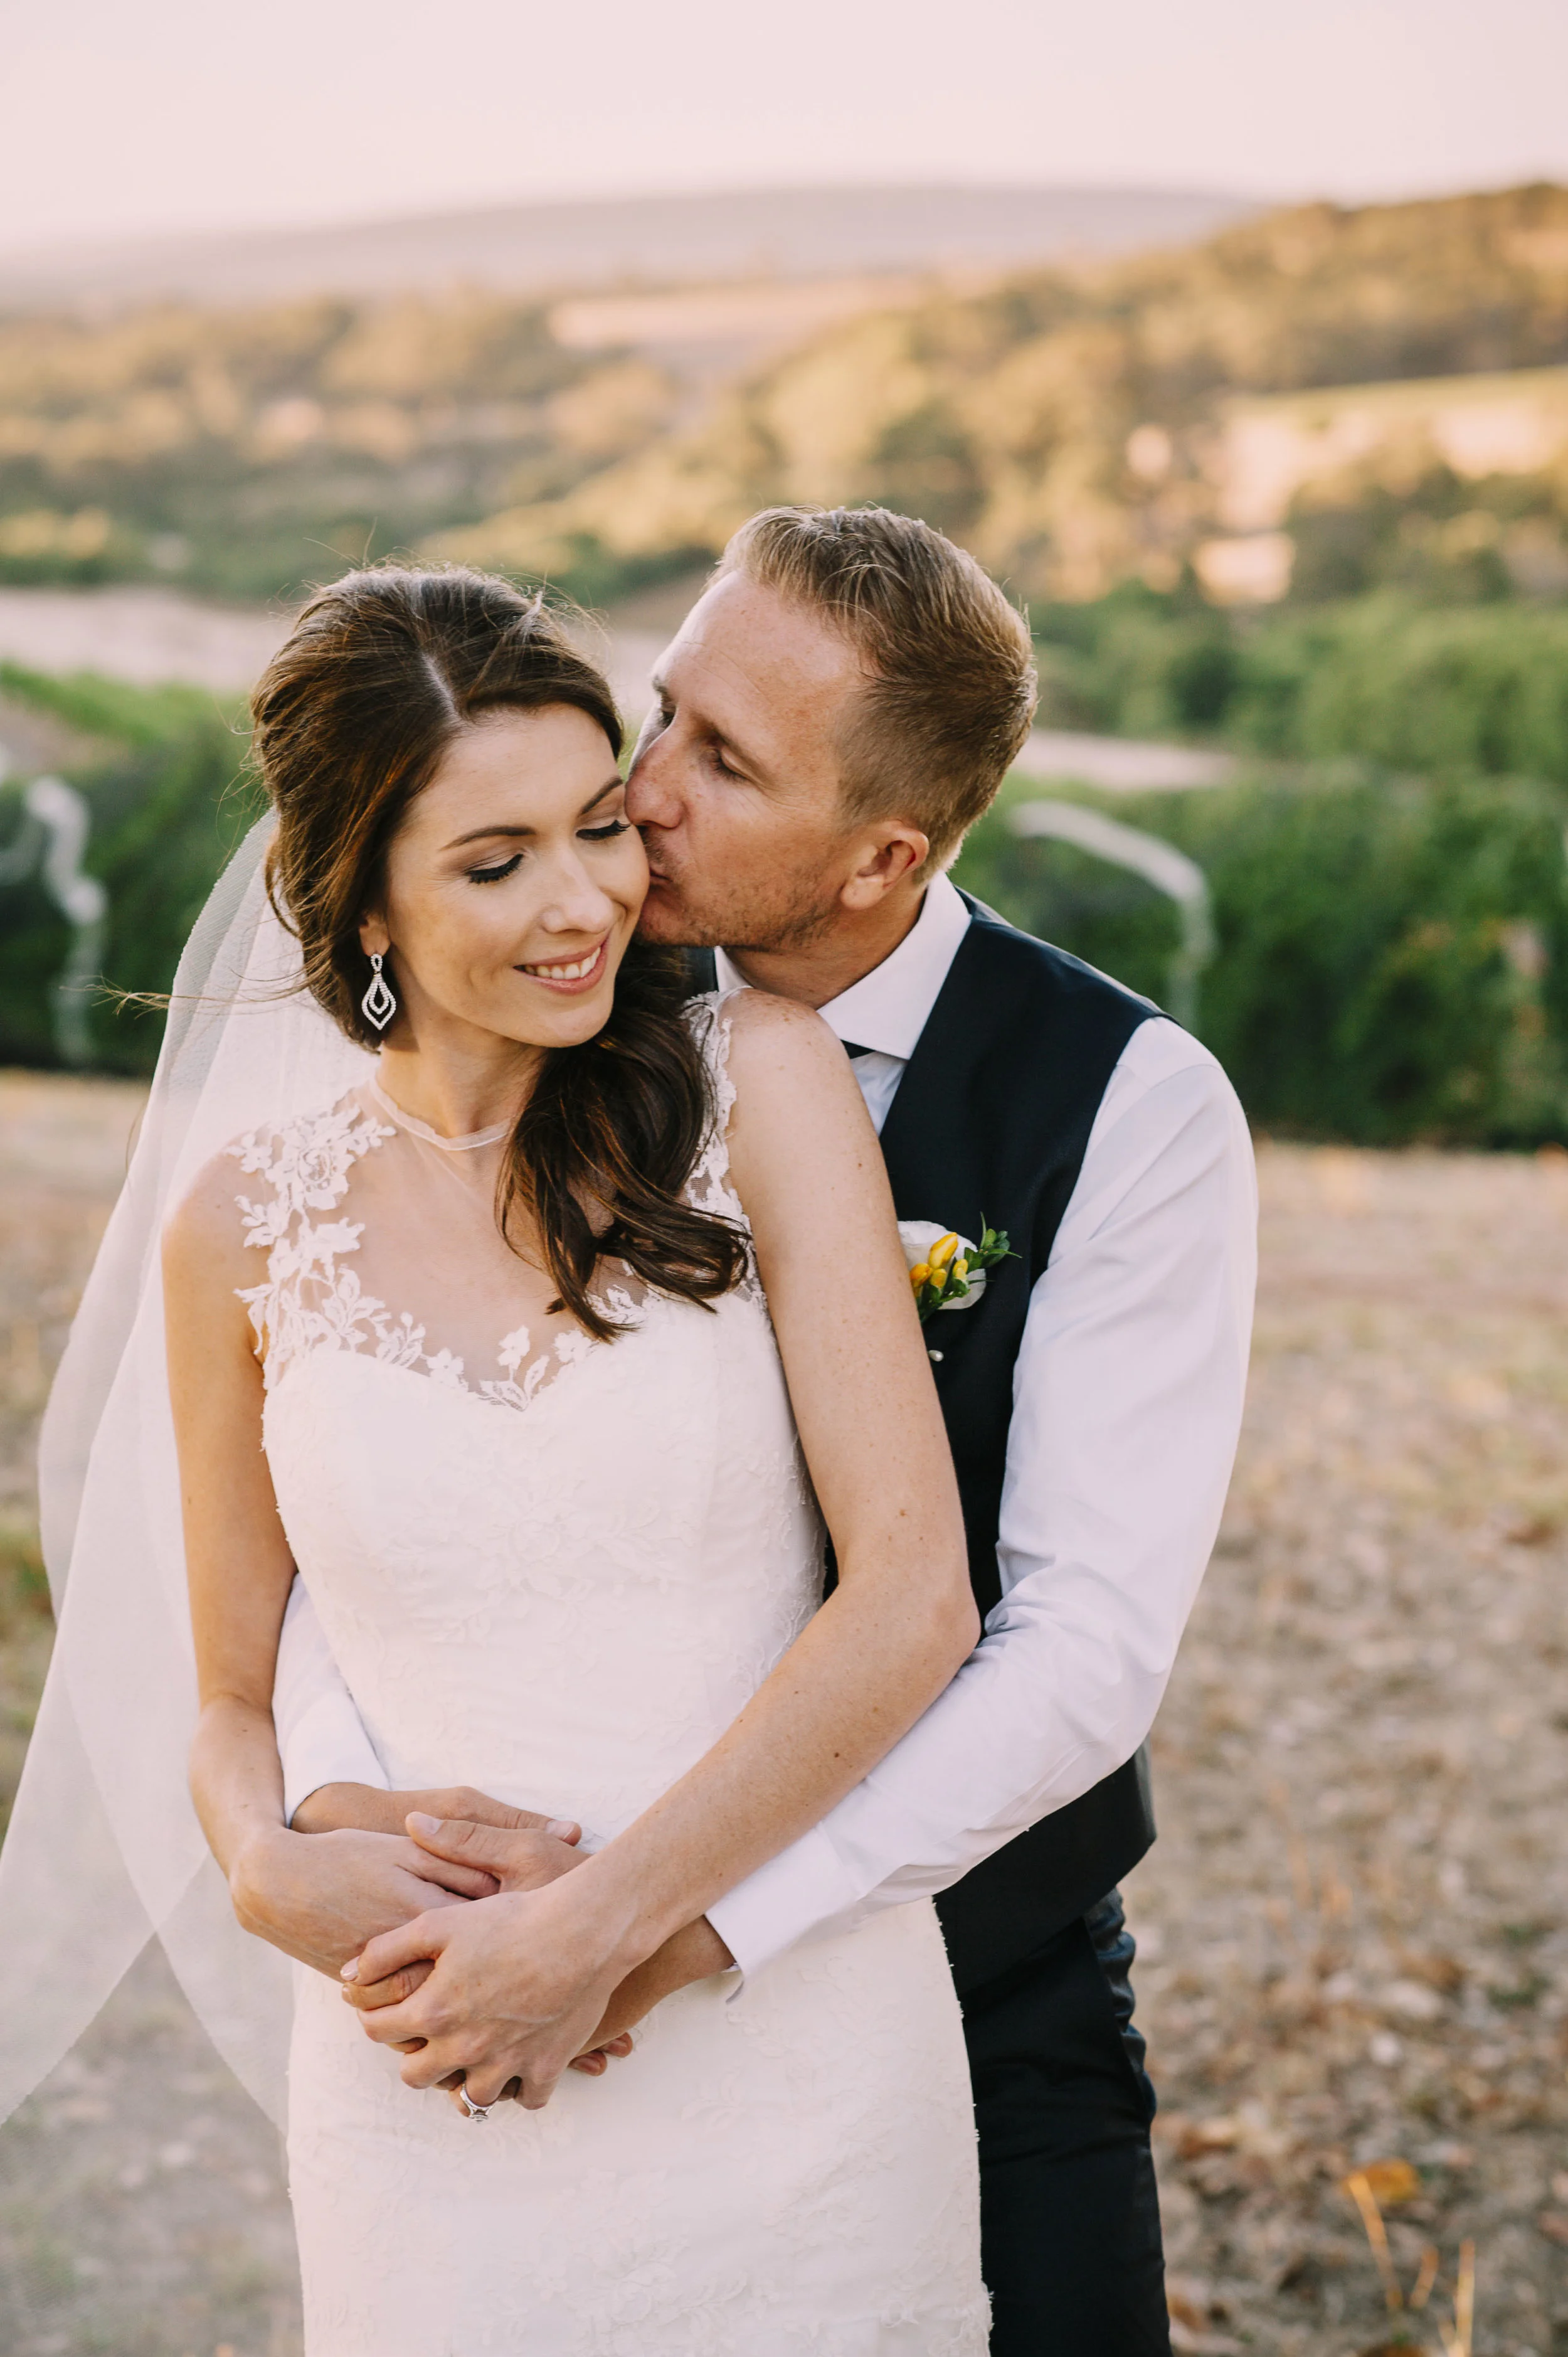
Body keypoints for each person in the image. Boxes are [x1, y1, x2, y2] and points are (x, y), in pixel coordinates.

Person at [260, 508, 1258, 2356]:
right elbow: (389, 1473)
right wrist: (329, 1802)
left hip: (971, 1970)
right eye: (663, 712)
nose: (635, 797)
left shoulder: (1127, 1106)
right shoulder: (535, 1002)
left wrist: (670, 1927)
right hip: (519, 1972)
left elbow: (1080, 1653)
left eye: (720, 762)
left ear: (884, 851)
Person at [151, 563, 999, 2353]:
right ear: (363, 908)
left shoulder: (759, 1086)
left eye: (599, 826)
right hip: (426, 2074)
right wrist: (259, 1858)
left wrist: (598, 1930)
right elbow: (230, 1687)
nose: (584, 903)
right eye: (493, 860)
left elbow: (912, 1596)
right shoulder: (238, 1227)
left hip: (787, 2051)